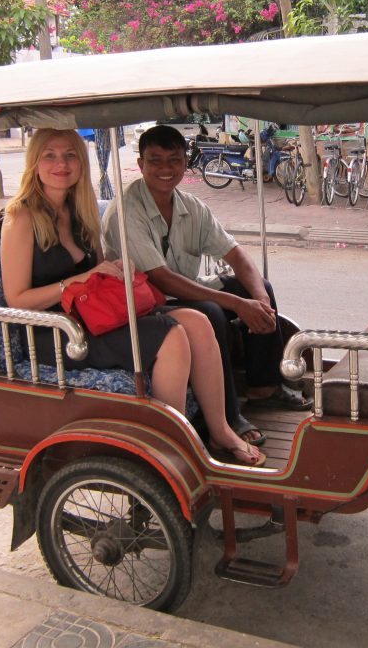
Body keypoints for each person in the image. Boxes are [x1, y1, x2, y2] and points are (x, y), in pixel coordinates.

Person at [0, 127, 264, 467]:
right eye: (50, 156)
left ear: (80, 162)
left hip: (91, 316)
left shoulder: (81, 211)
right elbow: (17, 300)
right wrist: (76, 281)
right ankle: (170, 450)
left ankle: (220, 429)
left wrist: (114, 273)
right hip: (54, 332)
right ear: (34, 163)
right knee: (170, 336)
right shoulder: (21, 217)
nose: (61, 164)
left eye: (69, 156)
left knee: (198, 321)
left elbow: (96, 275)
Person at [102, 125, 311, 447]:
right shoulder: (128, 208)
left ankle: (263, 388)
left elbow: (236, 254)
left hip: (186, 289)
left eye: (174, 160)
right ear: (141, 164)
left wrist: (257, 299)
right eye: (155, 161)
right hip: (144, 302)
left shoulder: (191, 206)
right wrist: (238, 306)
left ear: (186, 163)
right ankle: (226, 417)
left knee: (260, 287)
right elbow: (159, 277)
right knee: (213, 311)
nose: (165, 169)